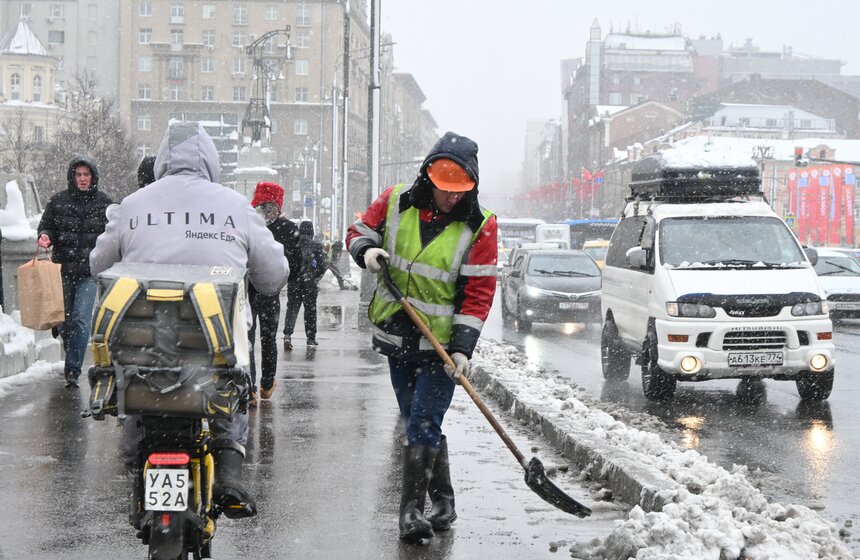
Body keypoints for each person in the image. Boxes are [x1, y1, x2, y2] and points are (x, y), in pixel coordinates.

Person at [90, 121, 289, 520]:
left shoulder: (133, 205)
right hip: (211, 347)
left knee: (137, 387)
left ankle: (138, 466)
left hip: (145, 346)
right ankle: (229, 470)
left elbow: (99, 266)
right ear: (212, 161)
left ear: (163, 159)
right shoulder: (237, 207)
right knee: (229, 380)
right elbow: (273, 277)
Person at [346, 131, 498, 543]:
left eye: (459, 190)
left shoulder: (480, 226)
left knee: (424, 421)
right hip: (398, 336)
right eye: (444, 187)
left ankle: (411, 513)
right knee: (416, 417)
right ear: (428, 178)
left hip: (440, 346)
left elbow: (478, 292)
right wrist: (366, 251)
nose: (450, 197)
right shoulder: (396, 200)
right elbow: (358, 231)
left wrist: (462, 349)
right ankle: (444, 499)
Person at [37, 156, 113, 388]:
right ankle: (66, 340)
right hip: (62, 271)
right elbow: (47, 225)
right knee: (64, 322)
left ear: (93, 177)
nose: (82, 178)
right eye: (78, 174)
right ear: (72, 177)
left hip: (88, 273)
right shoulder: (58, 201)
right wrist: (45, 236)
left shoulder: (105, 203)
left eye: (86, 174)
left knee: (80, 320)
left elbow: (113, 234)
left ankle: (72, 369)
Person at [248, 181, 300, 402]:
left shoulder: (247, 224)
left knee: (247, 339)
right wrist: (282, 278)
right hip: (271, 291)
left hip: (247, 290)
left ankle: (249, 387)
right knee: (268, 338)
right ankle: (267, 383)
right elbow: (296, 264)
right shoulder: (288, 228)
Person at [283, 220, 328, 349]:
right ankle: (311, 338)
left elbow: (287, 264)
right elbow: (322, 266)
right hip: (310, 285)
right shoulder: (316, 246)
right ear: (312, 232)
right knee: (310, 311)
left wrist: (291, 278)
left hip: (294, 284)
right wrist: (315, 278)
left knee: (292, 309)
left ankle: (287, 335)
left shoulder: (293, 245)